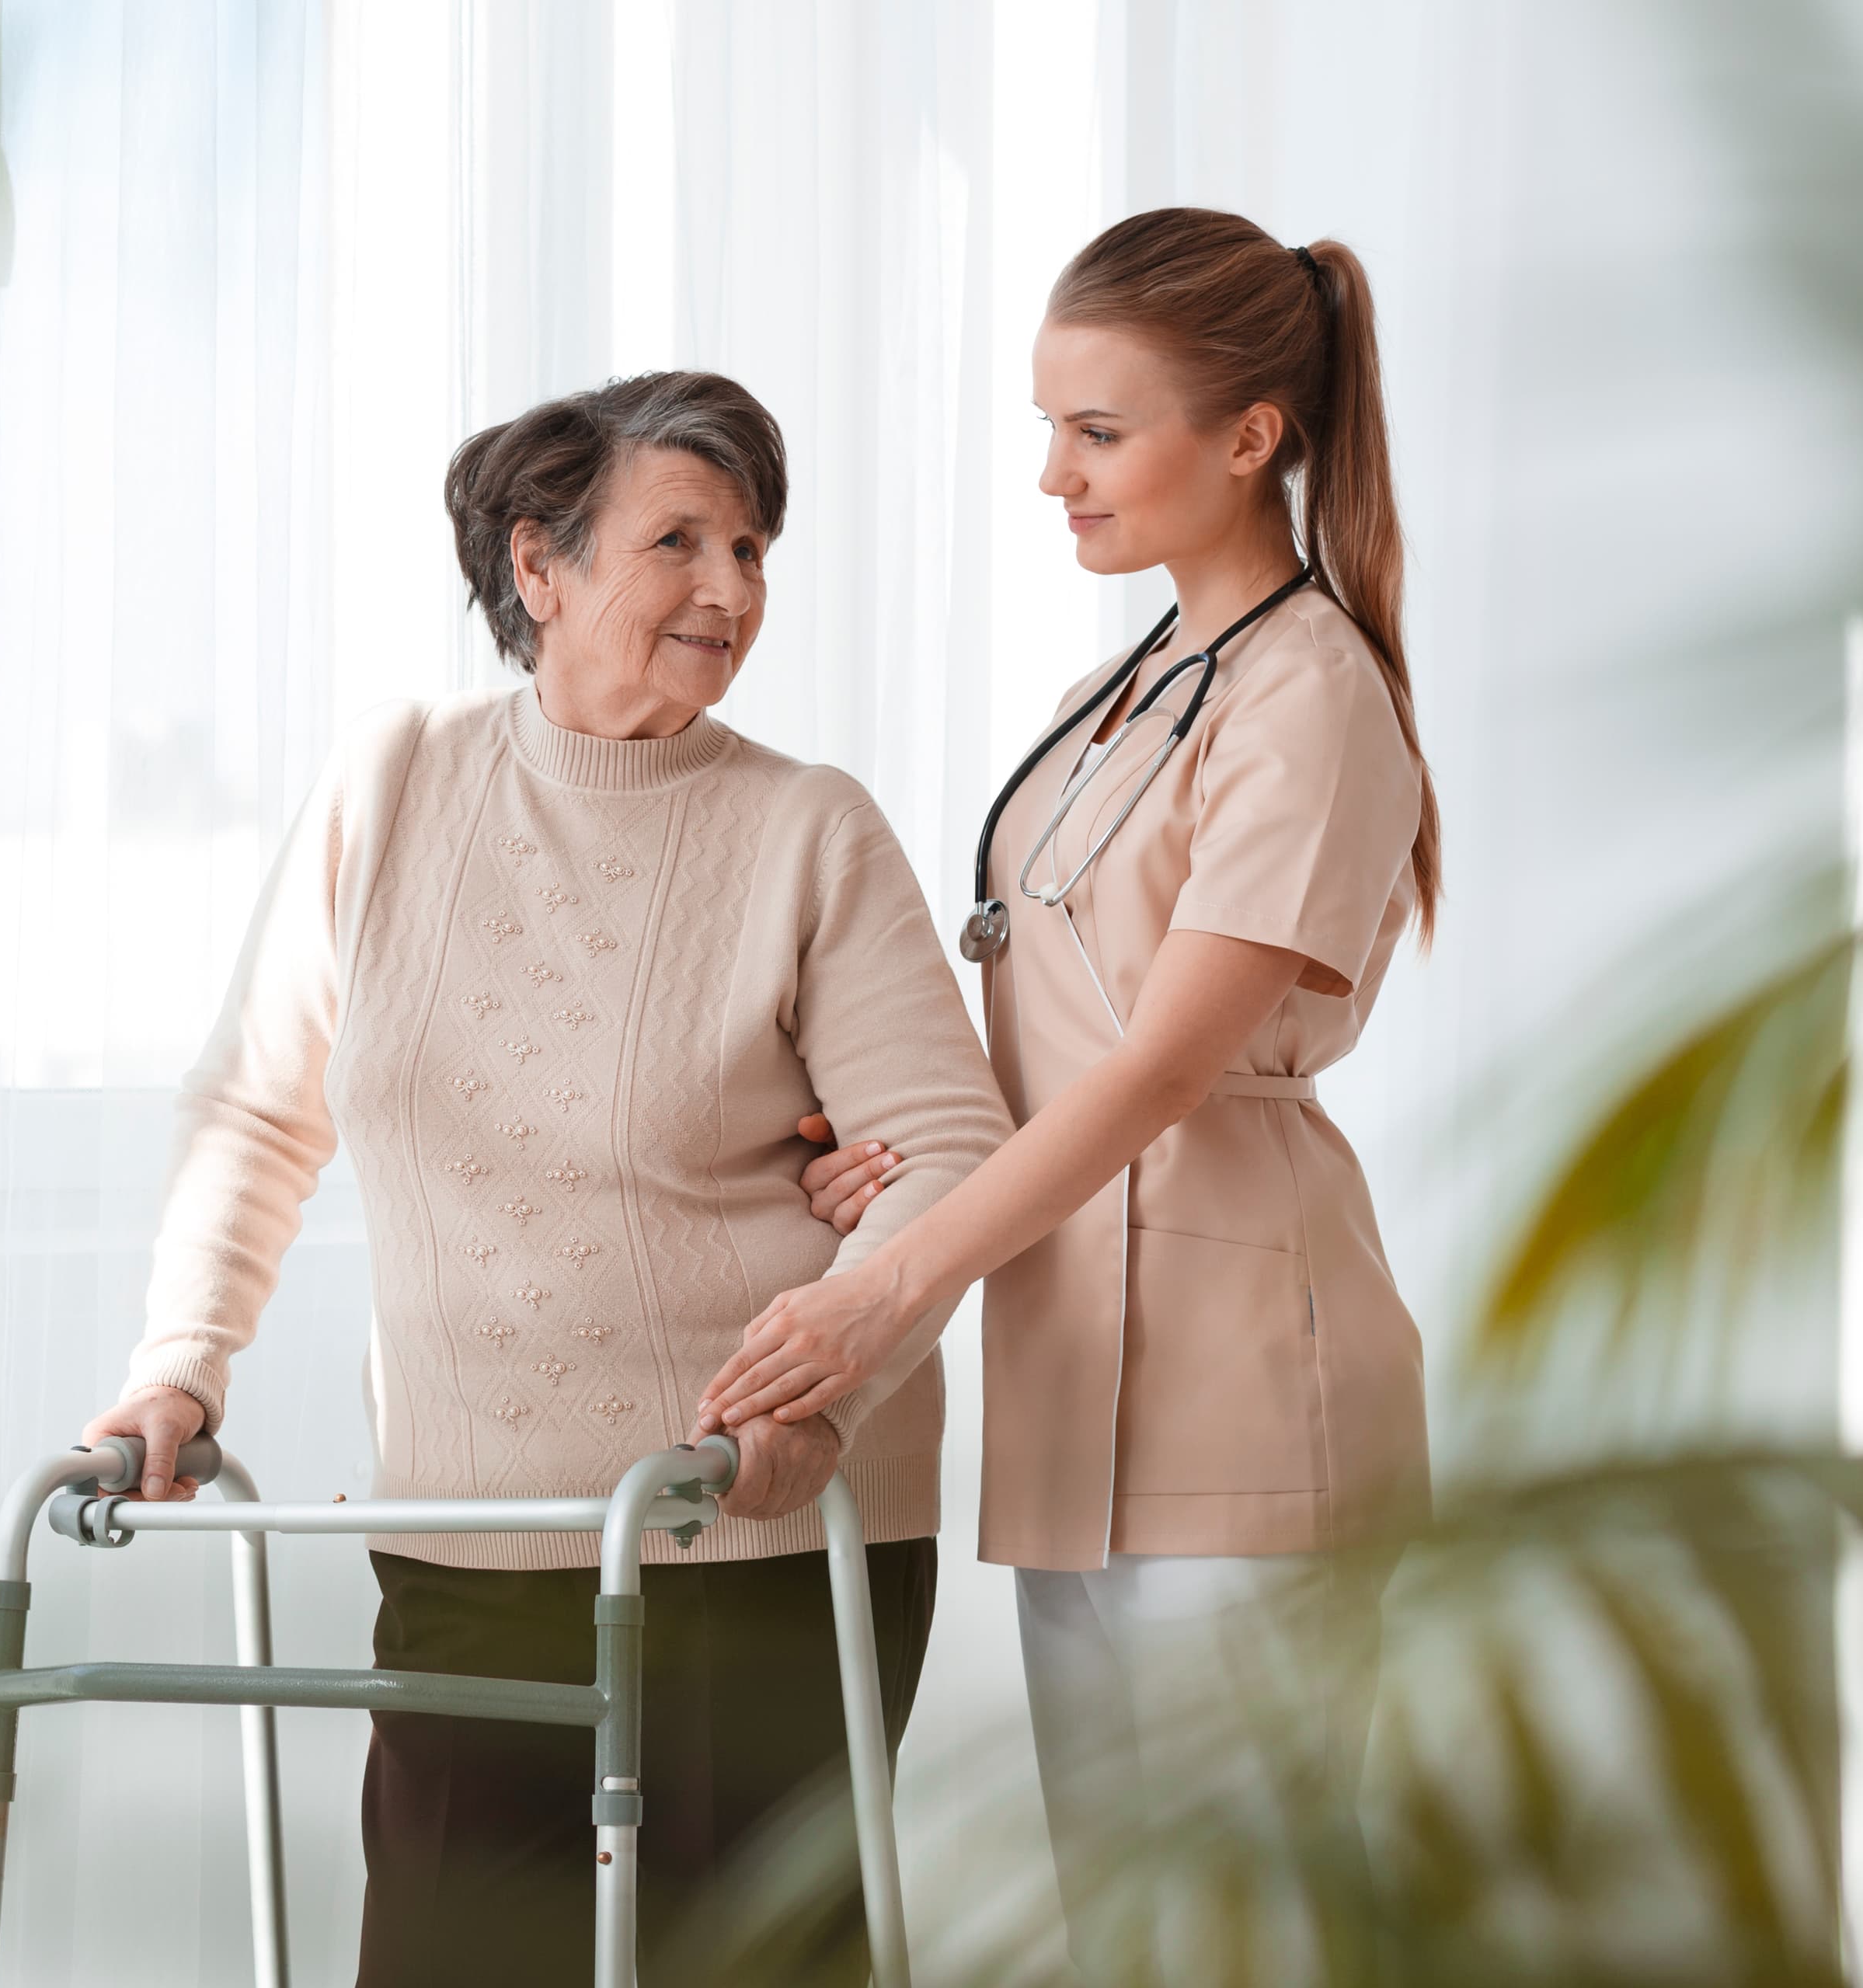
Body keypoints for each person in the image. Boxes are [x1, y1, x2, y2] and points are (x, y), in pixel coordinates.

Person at [84, 371, 1013, 1987]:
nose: (731, 590)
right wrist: (179, 1365)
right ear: (540, 566)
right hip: (473, 1539)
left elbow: (952, 1149)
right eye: (680, 541)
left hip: (755, 1540)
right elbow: (256, 1108)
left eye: (751, 546)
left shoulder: (809, 830)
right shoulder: (390, 784)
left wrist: (829, 1379)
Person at [698, 208, 1438, 1983]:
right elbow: (1048, 1018)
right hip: (1070, 1373)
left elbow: (1170, 1059)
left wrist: (899, 1279)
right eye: (1048, 428)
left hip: (1248, 1385)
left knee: (1248, 1935)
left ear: (1251, 435)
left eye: (1097, 431)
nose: (1053, 475)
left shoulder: (1312, 691)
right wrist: (891, 1146)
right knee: (1122, 1924)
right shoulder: (1106, 698)